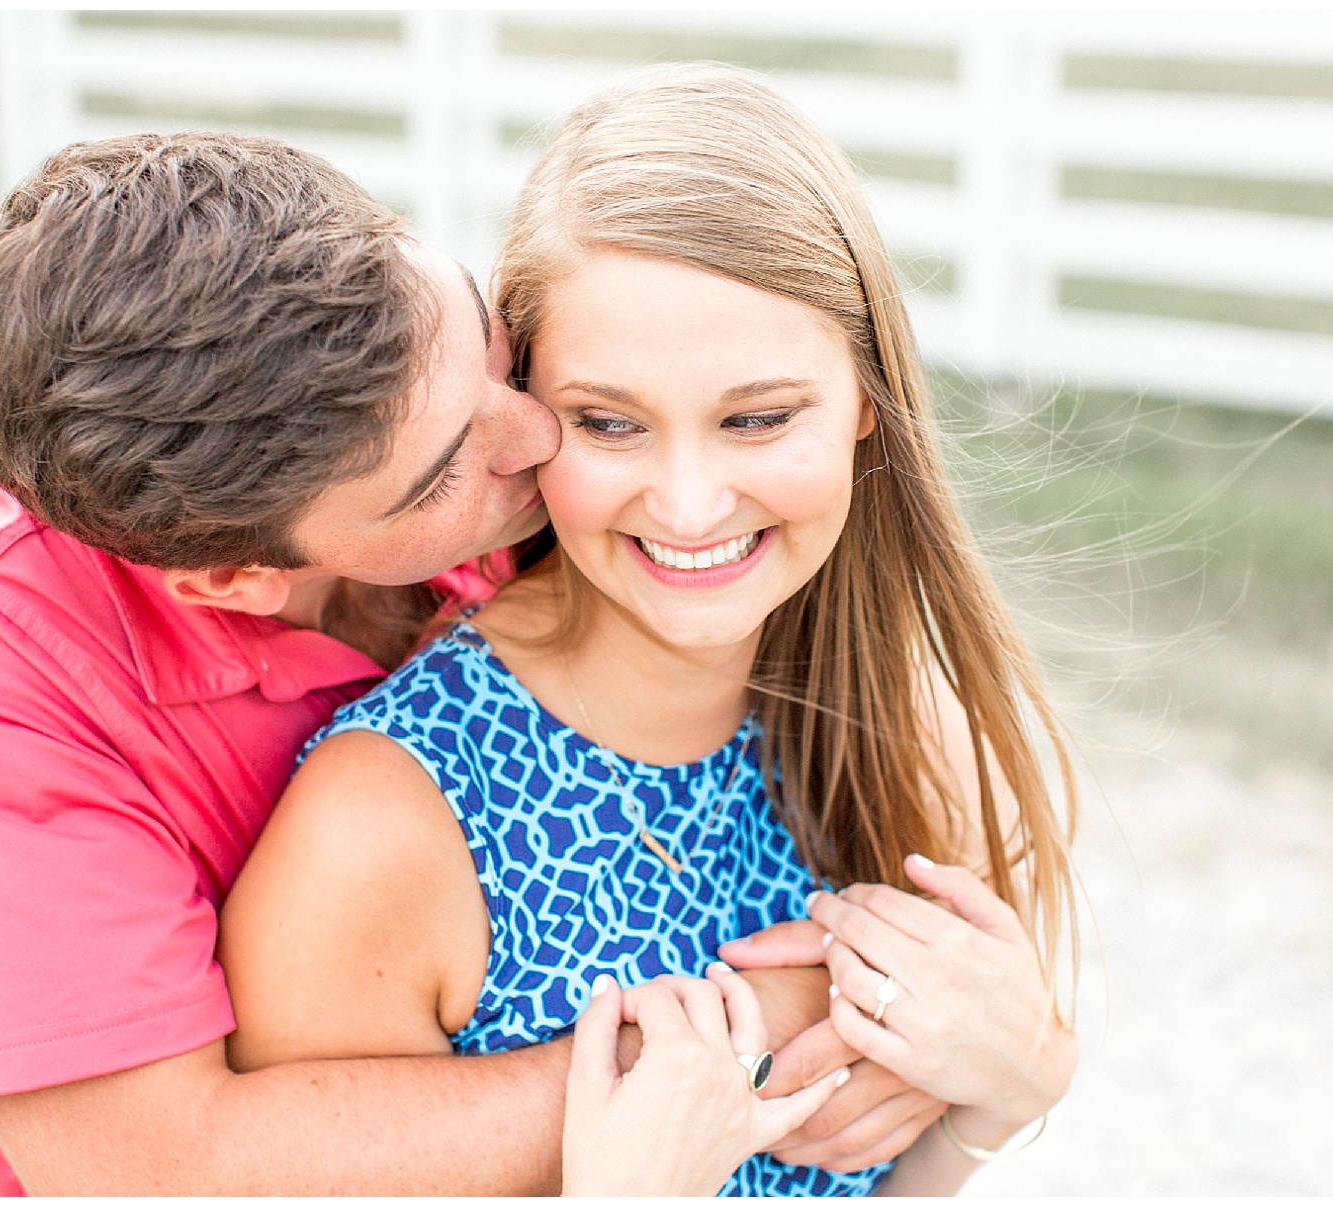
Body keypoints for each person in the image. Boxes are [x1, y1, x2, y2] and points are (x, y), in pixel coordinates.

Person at [0, 131, 925, 1195]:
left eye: (484, 345)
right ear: (236, 579)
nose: (540, 433)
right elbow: (151, 1170)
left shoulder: (479, 426)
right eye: (453, 464)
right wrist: (776, 1022)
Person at [218, 67, 1080, 1196]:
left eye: (758, 417)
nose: (686, 504)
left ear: (868, 399)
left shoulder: (902, 736)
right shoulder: (385, 831)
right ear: (524, 412)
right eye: (610, 422)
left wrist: (1008, 1094)